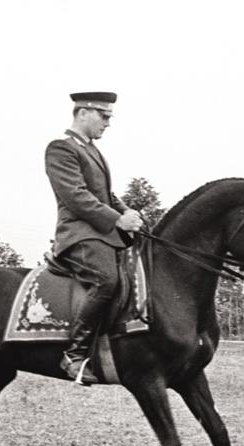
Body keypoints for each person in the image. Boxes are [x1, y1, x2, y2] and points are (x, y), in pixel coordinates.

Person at [45, 91, 143, 385]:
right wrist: (117, 220)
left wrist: (129, 212)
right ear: (83, 112)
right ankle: (74, 356)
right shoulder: (61, 148)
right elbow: (76, 196)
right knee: (106, 280)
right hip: (78, 235)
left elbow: (106, 195)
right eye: (104, 116)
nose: (108, 123)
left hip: (101, 233)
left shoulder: (92, 150)